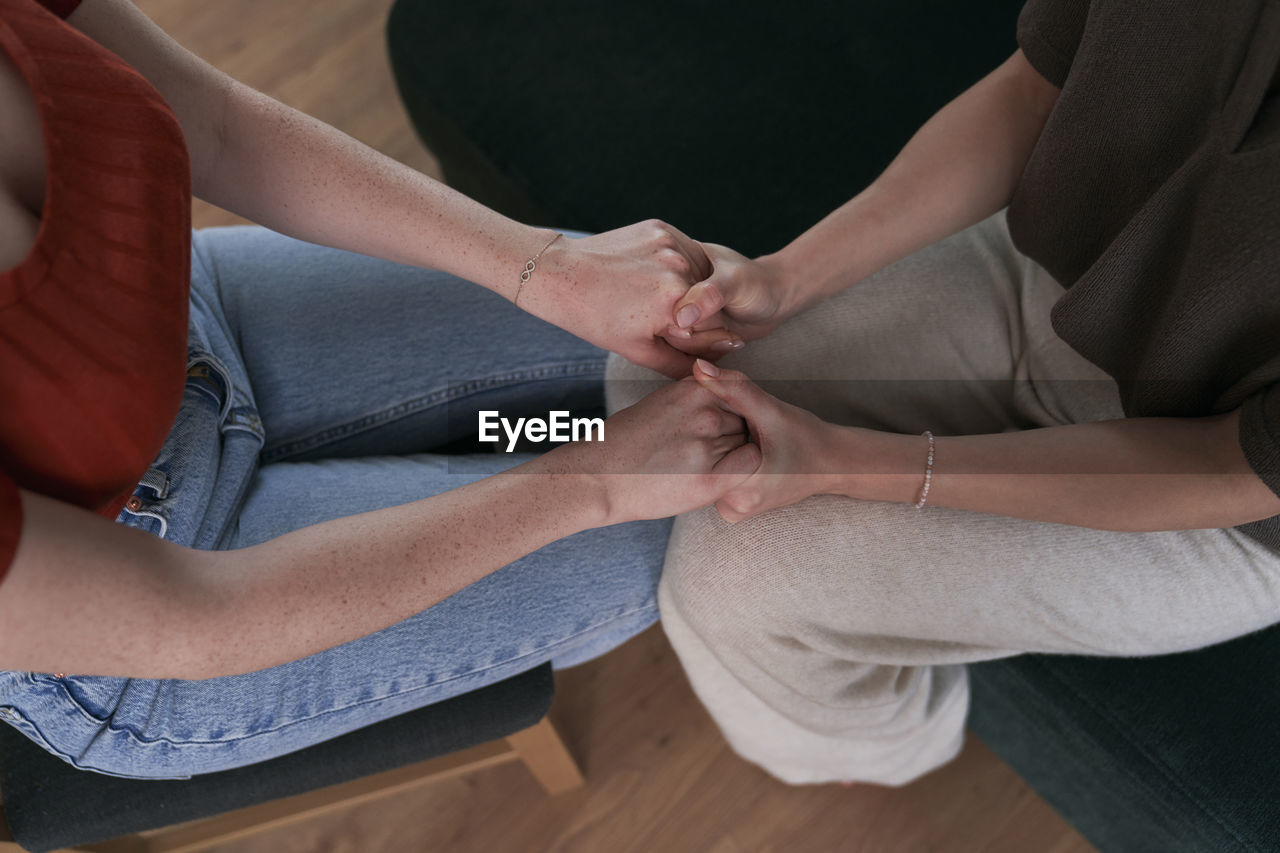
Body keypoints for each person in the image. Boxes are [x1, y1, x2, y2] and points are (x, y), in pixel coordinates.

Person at [0, 0, 757, 779]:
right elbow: (199, 616)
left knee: (678, 329)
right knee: (701, 526)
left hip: (184, 321)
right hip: (150, 616)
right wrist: (593, 481)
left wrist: (545, 270)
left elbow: (215, 121)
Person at [606, 0, 1280, 785]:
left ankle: (897, 746)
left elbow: (1231, 466)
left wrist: (850, 463)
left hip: (1230, 493)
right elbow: (1037, 87)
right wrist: (783, 278)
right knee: (649, 382)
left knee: (735, 573)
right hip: (1049, 275)